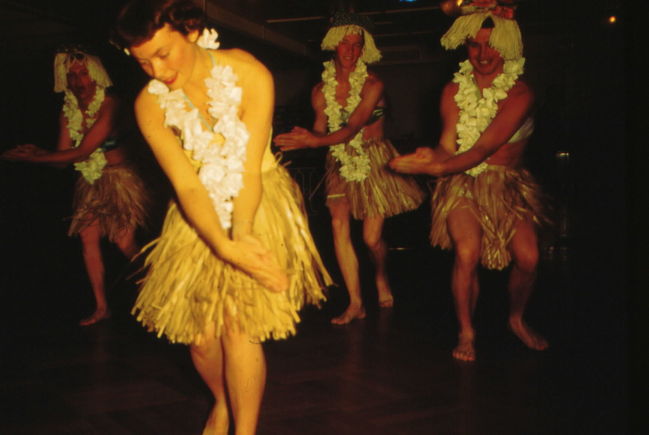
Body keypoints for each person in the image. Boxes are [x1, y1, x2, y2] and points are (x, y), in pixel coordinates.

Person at [112, 0, 331, 433]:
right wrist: (222, 242)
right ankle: (223, 401)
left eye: (163, 54)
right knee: (199, 342)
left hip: (257, 198)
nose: (157, 71)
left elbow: (247, 169)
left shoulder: (250, 73)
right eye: (143, 62)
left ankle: (244, 429)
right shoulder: (149, 106)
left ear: (191, 32)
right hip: (197, 213)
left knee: (237, 326)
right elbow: (187, 185)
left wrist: (242, 237)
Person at [390, 0, 550, 362]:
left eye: (491, 44)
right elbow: (450, 146)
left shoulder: (520, 93)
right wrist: (431, 157)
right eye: (475, 45)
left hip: (508, 185)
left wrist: (435, 169)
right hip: (461, 182)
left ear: (507, 45)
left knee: (529, 257)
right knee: (467, 252)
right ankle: (466, 331)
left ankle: (516, 319)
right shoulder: (452, 92)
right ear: (465, 45)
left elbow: (482, 149)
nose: (483, 53)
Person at [274, 12, 424, 325]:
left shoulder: (373, 84)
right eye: (345, 44)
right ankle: (356, 302)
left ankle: (381, 275)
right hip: (338, 161)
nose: (350, 51)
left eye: (357, 45)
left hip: (372, 159)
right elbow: (321, 130)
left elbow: (353, 127)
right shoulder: (319, 91)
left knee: (371, 239)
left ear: (364, 49)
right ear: (333, 45)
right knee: (338, 225)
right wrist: (303, 137)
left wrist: (313, 142)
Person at [1, 46, 148, 326]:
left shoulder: (110, 104)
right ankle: (102, 307)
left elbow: (81, 152)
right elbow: (61, 161)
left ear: (96, 75)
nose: (79, 82)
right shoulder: (68, 113)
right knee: (87, 238)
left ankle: (160, 294)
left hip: (120, 178)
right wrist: (38, 153)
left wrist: (35, 158)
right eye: (72, 76)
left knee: (123, 240)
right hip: (91, 180)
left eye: (83, 74)